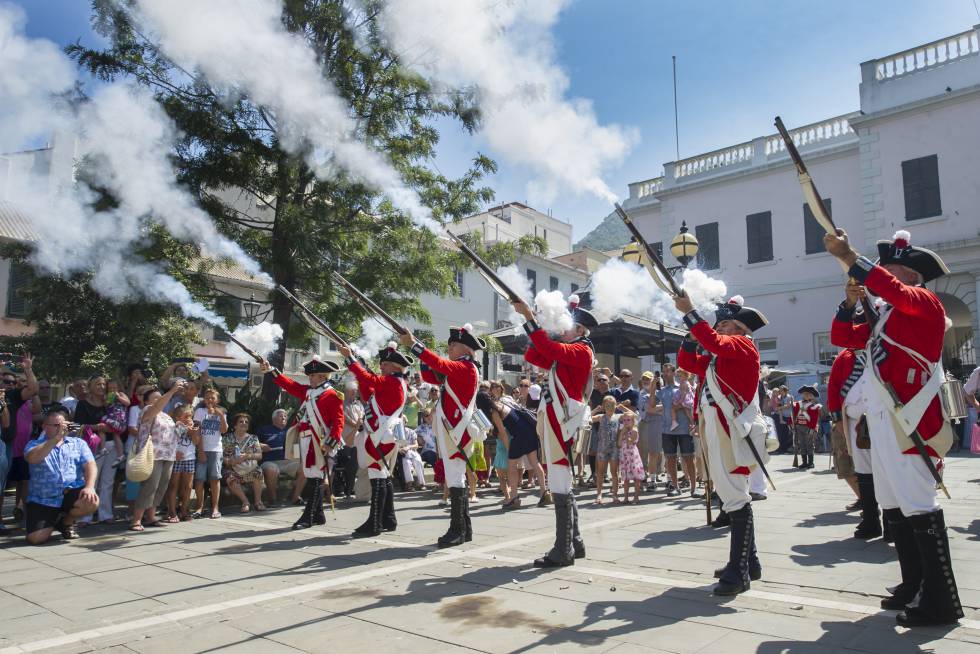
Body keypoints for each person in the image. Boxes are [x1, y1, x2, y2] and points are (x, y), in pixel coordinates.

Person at [825, 227, 962, 626]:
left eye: (894, 271)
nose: (885, 278)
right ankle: (912, 584)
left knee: (920, 505)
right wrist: (848, 304)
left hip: (913, 417)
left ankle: (940, 600)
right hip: (884, 417)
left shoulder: (925, 302)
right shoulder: (883, 315)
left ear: (914, 277)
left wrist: (853, 258)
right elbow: (841, 338)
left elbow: (898, 294)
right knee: (894, 506)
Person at [675, 293, 769, 596]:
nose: (720, 328)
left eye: (726, 324)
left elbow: (714, 342)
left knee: (734, 496)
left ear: (741, 329)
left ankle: (738, 571)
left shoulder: (742, 345)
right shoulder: (722, 355)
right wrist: (690, 336)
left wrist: (691, 312)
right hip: (719, 429)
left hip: (730, 430)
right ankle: (748, 562)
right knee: (732, 493)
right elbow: (687, 361)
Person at [513, 294, 595, 567]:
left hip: (564, 422)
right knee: (561, 481)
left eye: (567, 325)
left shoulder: (581, 350)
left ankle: (563, 549)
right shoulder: (565, 350)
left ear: (580, 330)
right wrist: (541, 328)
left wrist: (530, 319)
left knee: (559, 481)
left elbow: (547, 350)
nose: (562, 329)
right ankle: (575, 542)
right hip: (556, 421)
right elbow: (533, 353)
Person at [401, 323, 483, 548]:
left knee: (456, 478)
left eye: (454, 345)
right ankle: (464, 528)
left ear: (466, 349)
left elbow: (438, 364)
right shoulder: (460, 367)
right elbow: (431, 373)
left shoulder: (465, 367)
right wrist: (420, 353)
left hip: (455, 431)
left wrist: (415, 346)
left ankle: (457, 530)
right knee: (457, 477)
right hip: (453, 430)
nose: (450, 348)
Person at [261, 356, 344, 530]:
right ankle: (319, 515)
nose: (309, 378)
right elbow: (290, 385)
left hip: (320, 442)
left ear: (322, 376)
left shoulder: (332, 395)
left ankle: (309, 516)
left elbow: (338, 422)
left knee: (314, 478)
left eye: (312, 376)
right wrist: (271, 371)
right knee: (313, 476)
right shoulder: (309, 392)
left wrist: (330, 443)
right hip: (306, 439)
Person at [341, 341, 413, 538]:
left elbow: (368, 379)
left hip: (381, 434)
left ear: (396, 367)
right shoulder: (393, 382)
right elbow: (368, 392)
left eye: (385, 364)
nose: (382, 366)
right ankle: (388, 519)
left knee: (377, 475)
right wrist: (358, 367)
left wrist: (350, 359)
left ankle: (374, 522)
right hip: (380, 434)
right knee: (381, 475)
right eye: (382, 363)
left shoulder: (392, 381)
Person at [24, 408, 98, 543]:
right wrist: (55, 439)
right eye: (56, 426)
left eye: (62, 425)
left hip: (70, 491)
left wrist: (90, 486)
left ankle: (66, 522)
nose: (60, 429)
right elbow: (32, 458)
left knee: (91, 501)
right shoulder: (34, 444)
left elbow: (90, 465)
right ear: (45, 427)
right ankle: (53, 521)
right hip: (44, 498)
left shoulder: (78, 443)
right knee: (35, 539)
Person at [130, 384, 183, 531]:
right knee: (150, 486)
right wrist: (171, 392)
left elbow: (174, 434)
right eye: (156, 398)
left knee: (161, 486)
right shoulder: (147, 410)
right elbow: (156, 409)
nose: (160, 400)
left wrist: (182, 426)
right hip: (152, 454)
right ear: (147, 401)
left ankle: (151, 516)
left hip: (168, 455)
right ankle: (136, 519)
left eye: (161, 397)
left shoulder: (166, 416)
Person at [656, 364, 701, 499]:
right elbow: (651, 405)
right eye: (663, 372)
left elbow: (692, 403)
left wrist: (681, 405)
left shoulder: (685, 385)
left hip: (684, 429)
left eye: (667, 371)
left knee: (689, 458)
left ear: (674, 373)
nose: (664, 374)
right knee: (670, 459)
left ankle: (693, 488)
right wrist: (653, 388)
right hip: (667, 430)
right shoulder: (662, 391)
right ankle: (675, 487)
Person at [3, 355, 38, 526]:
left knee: (2, 483)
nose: (7, 384)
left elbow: (32, 389)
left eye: (11, 382)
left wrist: (28, 369)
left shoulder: (13, 396)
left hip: (6, 444)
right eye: (4, 381)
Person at [191, 388, 228, 519]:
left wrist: (220, 416)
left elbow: (223, 431)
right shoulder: (199, 412)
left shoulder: (222, 411)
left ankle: (215, 507)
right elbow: (197, 431)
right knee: (199, 479)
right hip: (203, 448)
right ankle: (199, 507)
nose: (210, 400)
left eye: (213, 398)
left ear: (217, 400)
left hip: (216, 449)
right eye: (207, 398)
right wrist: (200, 450)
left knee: (215, 478)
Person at [258, 408, 303, 505]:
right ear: (274, 419)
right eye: (281, 416)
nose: (284, 417)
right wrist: (261, 445)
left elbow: (297, 445)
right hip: (270, 461)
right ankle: (273, 499)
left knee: (304, 469)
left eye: (285, 416)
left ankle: (296, 497)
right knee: (271, 470)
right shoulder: (264, 429)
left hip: (288, 461)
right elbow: (253, 443)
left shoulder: (291, 431)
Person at [222, 412, 265, 512]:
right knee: (230, 477)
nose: (244, 423)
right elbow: (220, 456)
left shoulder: (253, 438)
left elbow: (259, 455)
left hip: (249, 467)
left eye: (246, 422)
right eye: (241, 421)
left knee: (258, 472)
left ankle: (258, 502)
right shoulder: (227, 438)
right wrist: (229, 462)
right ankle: (245, 502)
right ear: (235, 425)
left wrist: (247, 456)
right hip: (232, 468)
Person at [165, 405, 199, 521]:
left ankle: (184, 511)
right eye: (185, 416)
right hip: (176, 458)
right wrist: (185, 428)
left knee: (188, 486)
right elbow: (174, 437)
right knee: (174, 485)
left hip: (190, 458)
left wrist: (193, 433)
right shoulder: (175, 426)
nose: (188, 419)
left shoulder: (194, 426)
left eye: (190, 416)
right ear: (178, 417)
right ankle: (172, 512)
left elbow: (196, 442)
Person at [337, 383, 364, 500]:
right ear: (346, 391)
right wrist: (356, 425)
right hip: (344, 440)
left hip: (357, 440)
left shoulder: (359, 404)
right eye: (351, 390)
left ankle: (351, 489)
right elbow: (344, 418)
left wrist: (359, 423)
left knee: (355, 464)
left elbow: (362, 417)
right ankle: (346, 490)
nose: (354, 393)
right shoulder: (341, 403)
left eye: (355, 390)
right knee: (349, 463)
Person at [642, 374, 664, 491]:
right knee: (653, 454)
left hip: (666, 426)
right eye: (654, 383)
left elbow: (669, 406)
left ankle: (670, 480)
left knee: (670, 455)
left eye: (657, 382)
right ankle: (652, 480)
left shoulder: (665, 392)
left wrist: (658, 409)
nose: (656, 384)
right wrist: (653, 391)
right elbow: (650, 409)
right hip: (653, 426)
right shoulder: (645, 395)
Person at [617, 411, 645, 504]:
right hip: (625, 457)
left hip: (633, 457)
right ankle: (625, 497)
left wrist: (625, 433)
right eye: (624, 420)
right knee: (626, 479)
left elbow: (630, 442)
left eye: (628, 420)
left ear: (633, 421)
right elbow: (619, 444)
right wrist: (622, 433)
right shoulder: (623, 431)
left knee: (636, 478)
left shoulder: (634, 431)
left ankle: (636, 497)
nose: (626, 422)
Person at [792, 386, 821, 470]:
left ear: (811, 396)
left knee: (809, 445)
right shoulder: (798, 404)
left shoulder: (813, 406)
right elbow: (793, 415)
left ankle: (810, 462)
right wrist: (793, 425)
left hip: (808, 428)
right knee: (802, 444)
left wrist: (812, 428)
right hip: (799, 427)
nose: (806, 395)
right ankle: (804, 462)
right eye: (805, 394)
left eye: (808, 394)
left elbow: (814, 419)